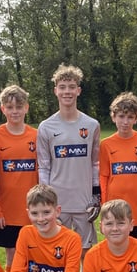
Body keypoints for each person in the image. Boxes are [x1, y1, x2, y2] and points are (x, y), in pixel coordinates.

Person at [36, 64, 101, 257]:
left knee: (86, 256)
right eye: (62, 87)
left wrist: (96, 196)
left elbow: (95, 163)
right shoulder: (46, 127)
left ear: (78, 91)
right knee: (57, 255)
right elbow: (44, 167)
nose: (67, 91)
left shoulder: (91, 125)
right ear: (55, 90)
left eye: (71, 86)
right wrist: (46, 202)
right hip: (58, 203)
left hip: (84, 203)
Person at [99, 92, 137, 242]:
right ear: (113, 117)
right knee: (114, 257)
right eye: (121, 116)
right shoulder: (106, 144)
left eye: (130, 117)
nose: (125, 122)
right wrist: (104, 209)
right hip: (113, 214)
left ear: (136, 119)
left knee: (136, 259)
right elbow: (103, 178)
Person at [0, 84, 38, 272]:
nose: (15, 111)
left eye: (19, 107)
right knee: (12, 256)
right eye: (10, 107)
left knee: (34, 256)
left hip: (33, 211)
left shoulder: (37, 135)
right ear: (3, 109)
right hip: (7, 212)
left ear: (26, 107)